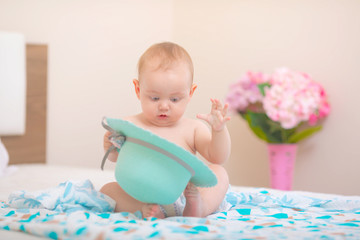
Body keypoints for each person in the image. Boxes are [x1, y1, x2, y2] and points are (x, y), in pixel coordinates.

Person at [100, 42, 231, 218]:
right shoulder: (130, 125)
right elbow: (115, 157)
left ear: (190, 93)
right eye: (154, 98)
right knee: (107, 190)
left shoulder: (192, 128)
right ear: (138, 90)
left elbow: (218, 157)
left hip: (183, 195)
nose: (163, 106)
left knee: (219, 174)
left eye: (175, 99)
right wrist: (109, 142)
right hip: (143, 196)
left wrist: (219, 131)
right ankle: (146, 210)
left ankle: (199, 207)